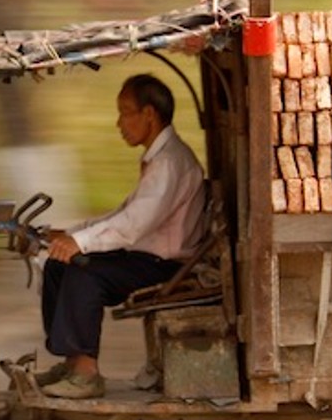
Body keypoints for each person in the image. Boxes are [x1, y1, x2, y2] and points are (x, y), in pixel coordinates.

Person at [31, 72, 207, 399]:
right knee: (59, 265)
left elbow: (133, 224)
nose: (119, 122)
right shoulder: (159, 159)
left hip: (163, 265)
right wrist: (68, 235)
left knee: (86, 274)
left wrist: (79, 243)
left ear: (149, 114)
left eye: (125, 112)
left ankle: (86, 375)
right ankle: (73, 364)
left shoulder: (169, 163)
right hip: (143, 256)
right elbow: (122, 214)